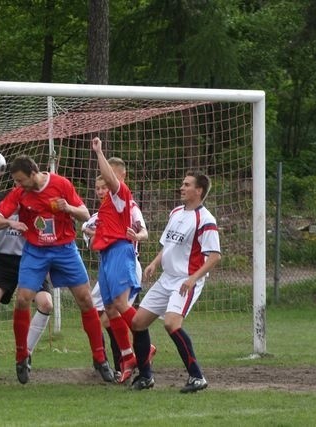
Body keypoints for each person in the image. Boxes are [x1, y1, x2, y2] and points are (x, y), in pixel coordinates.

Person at [0, 155, 114, 384]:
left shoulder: (61, 184)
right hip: (35, 251)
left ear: (33, 173)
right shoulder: (19, 193)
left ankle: (100, 358)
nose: (18, 185)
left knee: (86, 300)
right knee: (22, 300)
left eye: (20, 180)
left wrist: (67, 207)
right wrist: (10, 222)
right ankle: (22, 356)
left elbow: (85, 215)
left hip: (65, 249)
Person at [130, 171, 221, 393]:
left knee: (171, 323)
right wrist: (153, 263)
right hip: (166, 279)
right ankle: (145, 377)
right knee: (138, 322)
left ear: (198, 191)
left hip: (185, 281)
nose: (181, 187)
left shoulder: (205, 219)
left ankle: (197, 377)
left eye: (187, 184)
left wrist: (193, 278)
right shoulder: (176, 212)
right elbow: (168, 245)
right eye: (182, 183)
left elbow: (215, 256)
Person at [0, 191, 53, 376]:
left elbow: (54, 228)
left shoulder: (42, 202)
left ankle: (26, 354)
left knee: (46, 304)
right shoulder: (0, 201)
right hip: (4, 261)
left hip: (32, 260)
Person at [82, 173, 155, 378]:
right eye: (97, 189)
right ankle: (125, 357)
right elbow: (89, 232)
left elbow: (144, 233)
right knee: (104, 313)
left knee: (116, 310)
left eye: (104, 188)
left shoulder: (130, 206)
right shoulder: (100, 214)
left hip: (126, 261)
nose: (100, 192)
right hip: (108, 263)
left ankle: (138, 351)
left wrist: (136, 236)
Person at [88, 137, 147, 384]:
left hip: (122, 252)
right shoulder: (105, 205)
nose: (105, 183)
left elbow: (110, 179)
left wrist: (99, 152)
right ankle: (127, 355)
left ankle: (145, 347)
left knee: (121, 304)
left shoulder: (121, 194)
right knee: (110, 308)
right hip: (107, 255)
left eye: (110, 177)